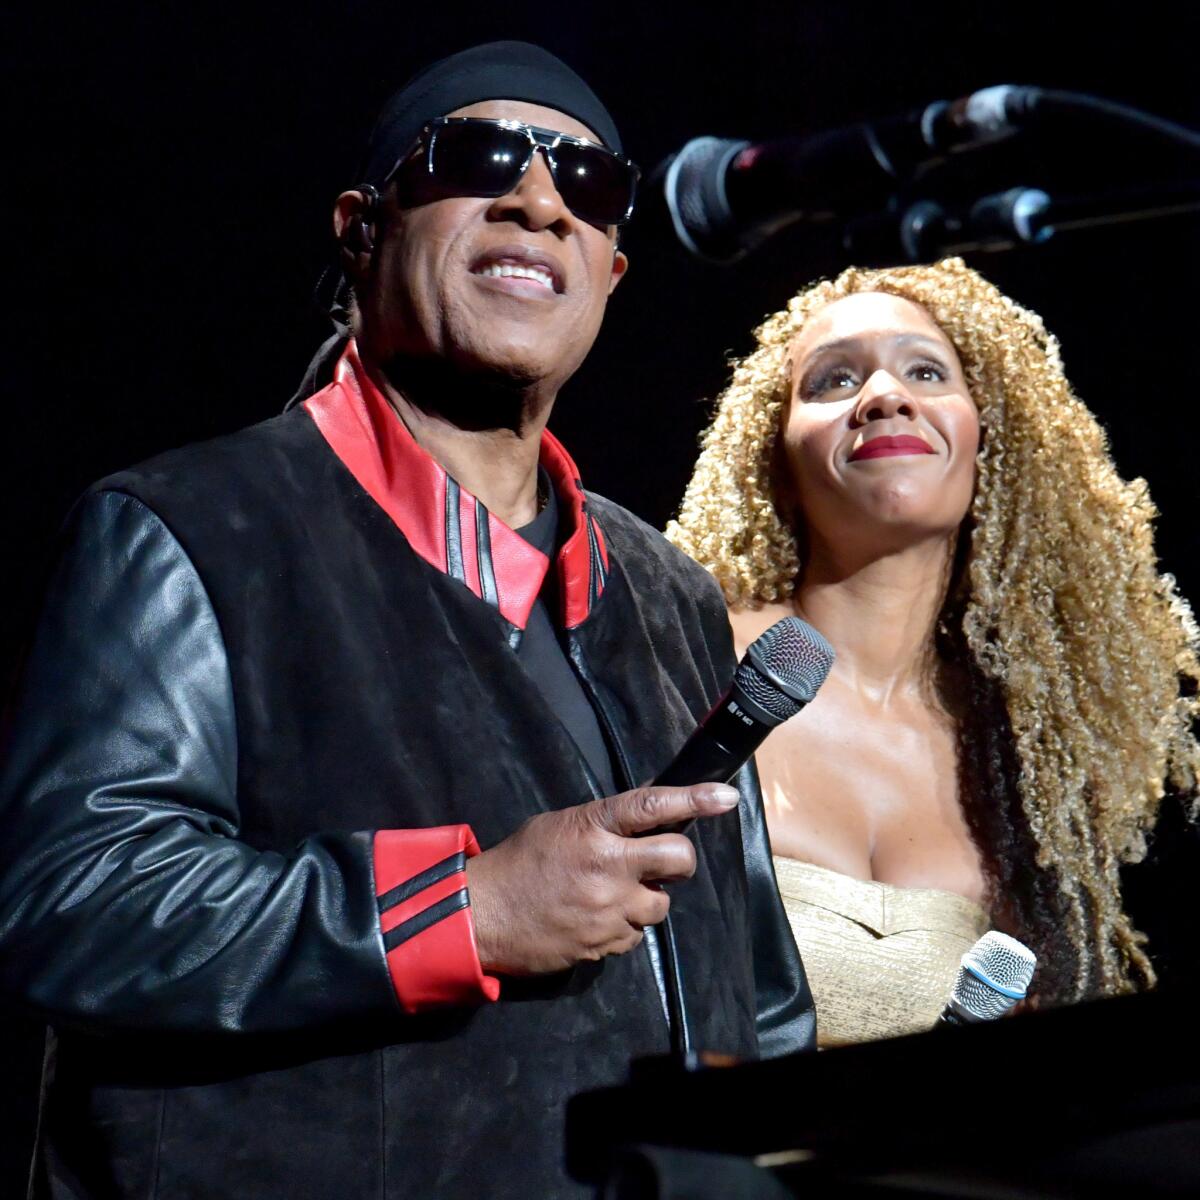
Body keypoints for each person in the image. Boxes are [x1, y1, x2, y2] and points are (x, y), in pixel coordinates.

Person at [0, 42, 813, 1198]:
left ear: (612, 273)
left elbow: (759, 999)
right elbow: (75, 907)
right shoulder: (192, 524)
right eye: (478, 158)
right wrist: (465, 910)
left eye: (587, 186)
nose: (536, 200)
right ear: (360, 227)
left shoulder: (669, 590)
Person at [668, 257, 1200, 1046]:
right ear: (774, 461)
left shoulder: (1025, 766)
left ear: (990, 442)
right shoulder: (686, 657)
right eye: (833, 381)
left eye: (925, 371)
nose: (885, 396)